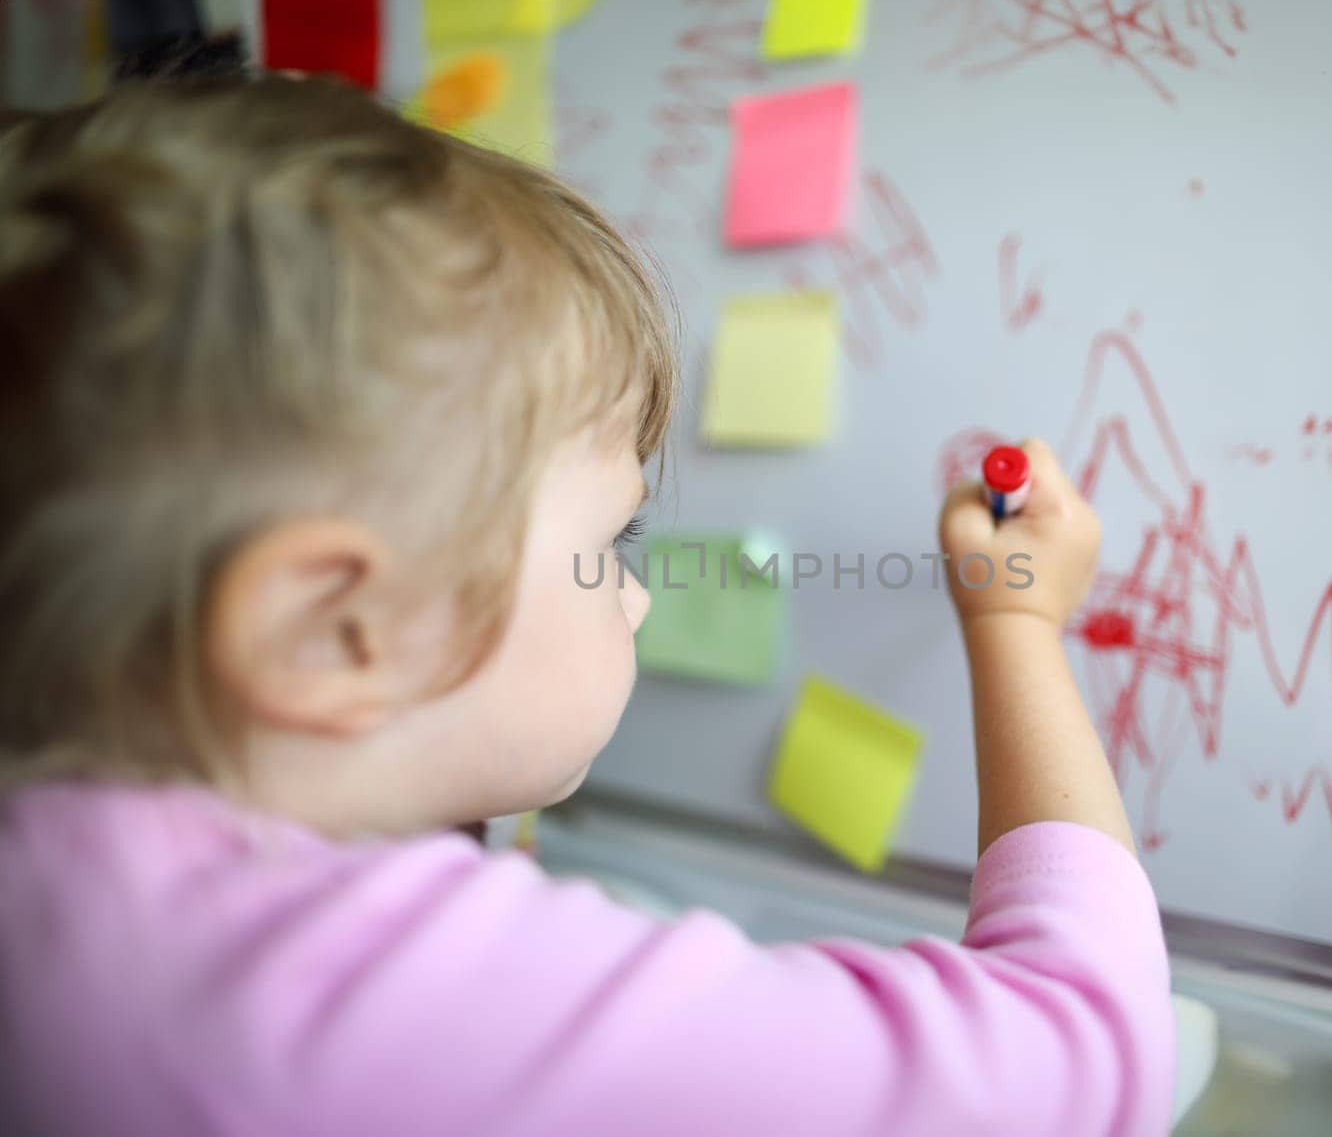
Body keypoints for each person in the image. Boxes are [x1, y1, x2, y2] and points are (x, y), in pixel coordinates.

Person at [0, 72, 1173, 1135]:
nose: (639, 593)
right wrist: (1017, 622)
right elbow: (1084, 1064)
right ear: (333, 631)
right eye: (613, 538)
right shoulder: (364, 991)